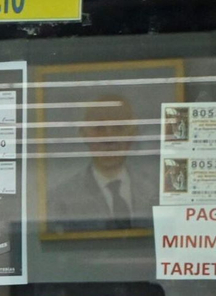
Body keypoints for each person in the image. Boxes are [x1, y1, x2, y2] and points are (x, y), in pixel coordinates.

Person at [46, 98, 156, 233]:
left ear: (132, 134)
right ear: (83, 135)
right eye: (99, 128)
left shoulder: (156, 189)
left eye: (118, 128)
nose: (108, 138)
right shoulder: (61, 199)